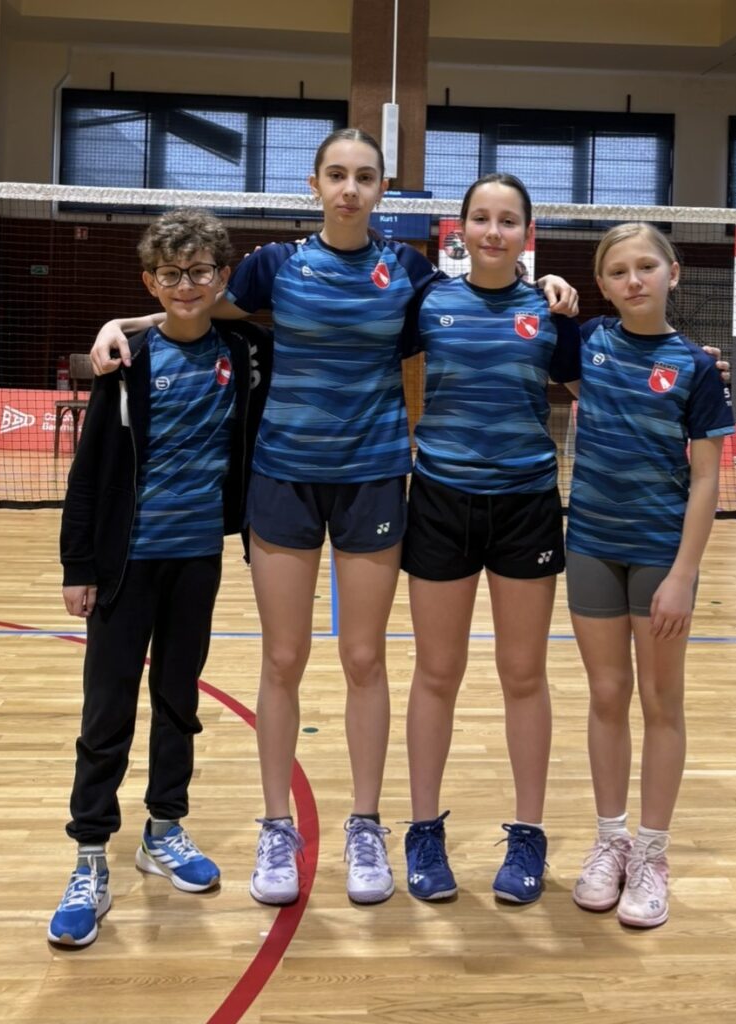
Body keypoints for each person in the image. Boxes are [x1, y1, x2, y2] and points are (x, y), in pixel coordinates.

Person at [89, 130, 579, 906]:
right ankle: (276, 826)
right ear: (314, 185)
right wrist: (124, 324)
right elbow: (195, 305)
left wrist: (544, 282)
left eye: (364, 177)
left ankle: (364, 824)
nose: (350, 188)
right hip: (283, 477)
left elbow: (484, 298)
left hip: (374, 478)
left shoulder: (408, 272)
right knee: (282, 658)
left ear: (382, 189)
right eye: (337, 175)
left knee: (363, 658)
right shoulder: (275, 265)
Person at [48, 209, 271, 946]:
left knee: (178, 700)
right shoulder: (127, 361)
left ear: (221, 276)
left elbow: (259, 323)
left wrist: (124, 315)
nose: (185, 285)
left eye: (199, 271)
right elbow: (88, 474)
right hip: (123, 564)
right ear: (151, 281)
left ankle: (163, 828)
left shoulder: (243, 351)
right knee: (106, 709)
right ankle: (90, 851)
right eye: (170, 275)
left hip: (196, 559)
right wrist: (77, 566)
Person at [400, 173, 582, 904]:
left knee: (523, 674)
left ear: (526, 234)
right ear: (461, 230)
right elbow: (343, 344)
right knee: (436, 672)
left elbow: (601, 384)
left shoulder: (549, 312)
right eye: (481, 218)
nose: (493, 231)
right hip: (440, 500)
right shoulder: (427, 302)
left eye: (508, 220)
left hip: (526, 504)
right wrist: (139, 323)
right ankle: (422, 831)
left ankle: (528, 834)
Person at [565, 223, 734, 928]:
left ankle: (652, 855)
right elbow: (526, 325)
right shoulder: (587, 343)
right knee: (607, 694)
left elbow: (707, 481)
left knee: (661, 700)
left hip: (661, 554)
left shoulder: (695, 367)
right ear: (602, 286)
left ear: (672, 272)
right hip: (590, 546)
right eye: (617, 271)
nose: (633, 280)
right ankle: (611, 842)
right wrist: (550, 291)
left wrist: (683, 574)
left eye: (645, 266)